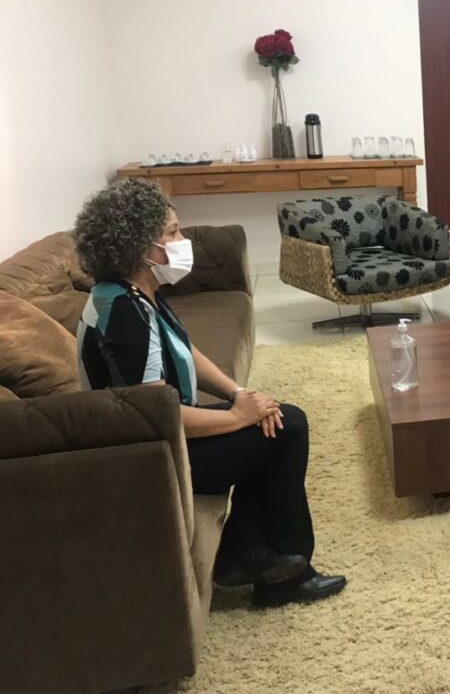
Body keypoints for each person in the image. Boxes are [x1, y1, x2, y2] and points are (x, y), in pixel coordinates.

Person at [74, 179, 346, 607]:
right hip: (155, 456)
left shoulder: (131, 293)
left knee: (272, 416)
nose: (183, 240)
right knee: (288, 426)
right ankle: (280, 571)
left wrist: (240, 394)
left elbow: (186, 351)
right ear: (140, 247)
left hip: (166, 435)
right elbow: (152, 415)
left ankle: (254, 556)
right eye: (172, 233)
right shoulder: (124, 314)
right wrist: (237, 417)